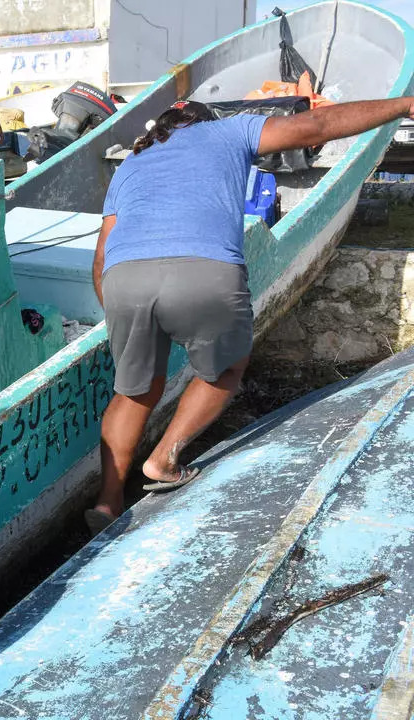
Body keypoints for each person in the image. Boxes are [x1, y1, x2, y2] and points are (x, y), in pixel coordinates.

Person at [88, 96, 414, 533]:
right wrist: (402, 105)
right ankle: (163, 460)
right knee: (224, 368)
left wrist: (119, 316)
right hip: (203, 270)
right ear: (204, 120)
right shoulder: (230, 131)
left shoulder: (130, 165)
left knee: (135, 390)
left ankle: (107, 503)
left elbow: (101, 256)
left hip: (124, 278)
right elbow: (315, 126)